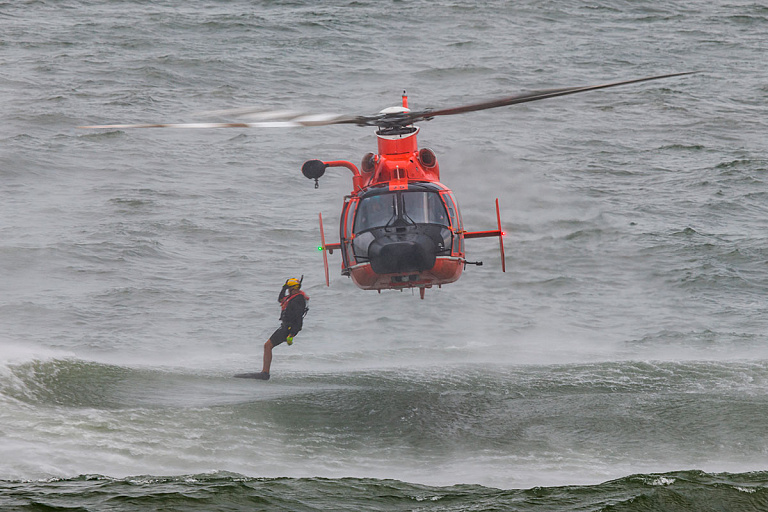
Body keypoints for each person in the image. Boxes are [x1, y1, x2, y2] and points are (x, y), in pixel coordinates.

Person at [252, 278, 309, 380]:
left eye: (288, 288)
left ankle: (265, 373)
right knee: (267, 346)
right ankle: (265, 372)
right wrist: (283, 288)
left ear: (292, 289)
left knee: (267, 346)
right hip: (285, 327)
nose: (287, 291)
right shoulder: (292, 297)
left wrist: (292, 334)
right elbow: (280, 299)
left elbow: (298, 318)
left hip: (289, 328)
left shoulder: (298, 300)